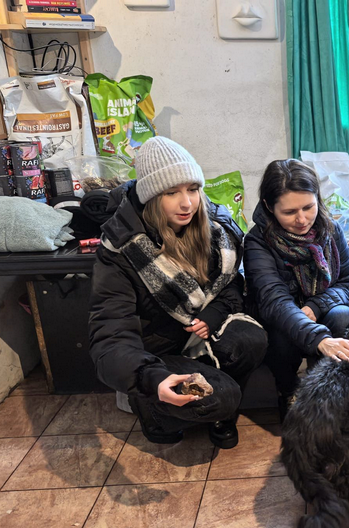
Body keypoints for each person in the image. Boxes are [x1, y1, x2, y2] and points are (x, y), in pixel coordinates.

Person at [89, 136, 267, 448]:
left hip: (201, 334)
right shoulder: (121, 250)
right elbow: (110, 335)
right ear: (151, 197)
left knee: (251, 340)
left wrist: (213, 313)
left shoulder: (216, 228)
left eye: (193, 189)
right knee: (222, 397)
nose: (187, 203)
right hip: (157, 349)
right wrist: (150, 378)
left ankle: (215, 411)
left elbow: (231, 284)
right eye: (171, 192)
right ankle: (154, 412)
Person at [243, 159, 349, 416]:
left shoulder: (330, 229)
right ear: (269, 207)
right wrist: (319, 338)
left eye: (309, 207)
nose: (302, 219)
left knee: (341, 315)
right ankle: (288, 390)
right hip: (281, 316)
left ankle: (326, 388)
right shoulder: (257, 241)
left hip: (318, 309)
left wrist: (315, 306)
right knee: (281, 334)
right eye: (289, 212)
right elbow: (273, 301)